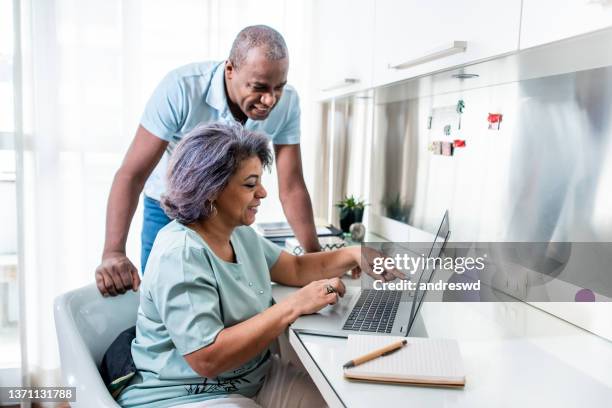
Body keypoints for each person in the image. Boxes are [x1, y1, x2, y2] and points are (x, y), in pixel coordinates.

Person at [116, 123, 397, 408]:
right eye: (250, 184)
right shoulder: (181, 254)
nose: (262, 193)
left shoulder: (239, 233)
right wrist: (293, 305)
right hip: (184, 393)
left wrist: (353, 253)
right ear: (211, 190)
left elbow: (296, 269)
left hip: (255, 377)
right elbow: (206, 358)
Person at [96, 25, 321, 297]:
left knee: (223, 303)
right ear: (230, 70)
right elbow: (132, 174)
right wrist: (113, 251)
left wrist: (314, 258)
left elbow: (292, 187)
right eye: (259, 87)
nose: (270, 99)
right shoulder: (181, 89)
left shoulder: (287, 104)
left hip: (226, 214)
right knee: (166, 297)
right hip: (170, 211)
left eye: (279, 88)